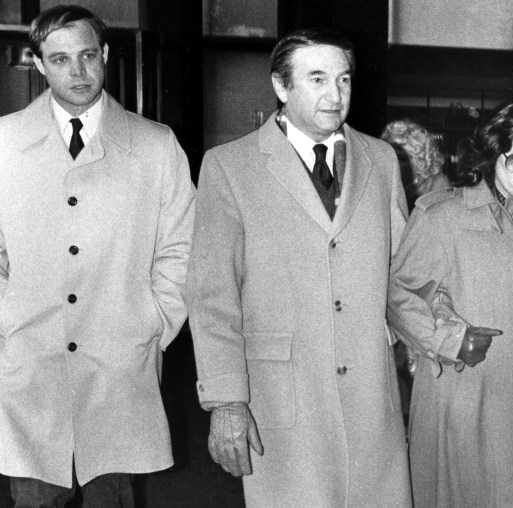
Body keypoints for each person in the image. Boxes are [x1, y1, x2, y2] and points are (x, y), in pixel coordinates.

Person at [186, 28, 413, 507]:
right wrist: (227, 400)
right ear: (281, 87)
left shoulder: (382, 160)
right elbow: (211, 297)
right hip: (284, 399)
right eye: (317, 79)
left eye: (344, 79)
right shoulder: (229, 167)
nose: (335, 95)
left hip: (372, 399)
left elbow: (402, 276)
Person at [0, 5, 195, 506]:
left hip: (118, 367)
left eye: (88, 55)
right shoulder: (3, 142)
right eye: (60, 59)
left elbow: (182, 249)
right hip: (28, 367)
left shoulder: (155, 145)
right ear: (39, 64)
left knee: (114, 495)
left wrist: (152, 320)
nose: (78, 72)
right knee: (34, 498)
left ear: (105, 55)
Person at [388, 98, 513, 507]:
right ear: (494, 152)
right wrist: (448, 340)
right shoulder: (441, 216)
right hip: (467, 398)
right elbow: (397, 294)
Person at [381, 119, 450, 212]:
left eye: (401, 157)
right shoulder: (384, 184)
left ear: (421, 160)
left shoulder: (438, 186)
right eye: (390, 156)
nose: (394, 163)